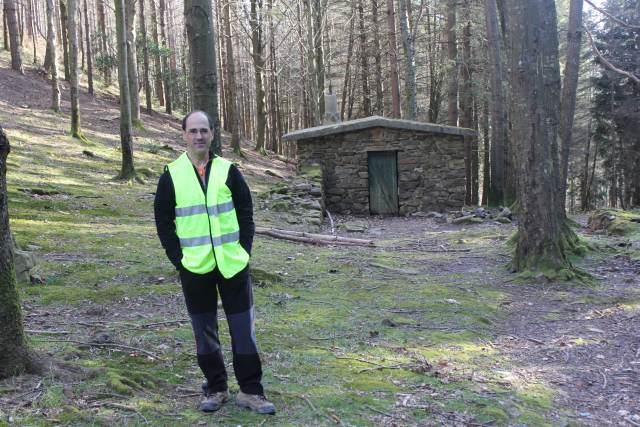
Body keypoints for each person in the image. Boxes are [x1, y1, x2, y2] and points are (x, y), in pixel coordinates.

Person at [154, 110, 275, 415]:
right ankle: (216, 388)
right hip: (194, 267)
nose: (199, 136)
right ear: (184, 134)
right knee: (204, 332)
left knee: (243, 331)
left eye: (203, 130)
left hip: (233, 264)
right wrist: (179, 260)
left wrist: (244, 251)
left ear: (212, 134)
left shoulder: (228, 170)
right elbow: (163, 222)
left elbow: (246, 213)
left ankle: (250, 391)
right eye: (193, 131)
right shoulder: (171, 175)